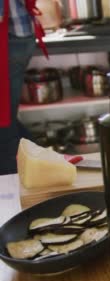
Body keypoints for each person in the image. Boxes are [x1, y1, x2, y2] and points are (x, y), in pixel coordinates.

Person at [1, 0, 43, 175]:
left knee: (3, 122)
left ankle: (11, 190)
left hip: (8, 39)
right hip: (17, 36)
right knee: (6, 118)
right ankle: (43, 164)